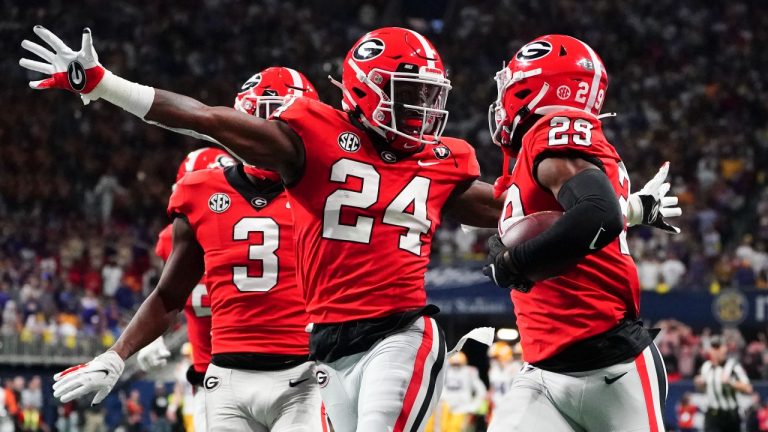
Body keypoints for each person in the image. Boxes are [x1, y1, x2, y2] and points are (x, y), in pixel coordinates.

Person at [21, 25, 676, 432]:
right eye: (407, 93)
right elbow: (208, 119)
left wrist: (629, 207)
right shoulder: (312, 136)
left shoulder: (442, 160)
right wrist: (105, 86)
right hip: (326, 346)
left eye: (429, 95)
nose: (423, 111)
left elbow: (514, 206)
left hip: (402, 332)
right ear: (363, 90)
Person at [51, 68, 328, 432]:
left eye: (283, 126)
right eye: (261, 123)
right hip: (227, 379)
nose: (271, 136)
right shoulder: (201, 191)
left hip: (304, 375)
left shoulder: (328, 187)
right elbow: (169, 296)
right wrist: (117, 355)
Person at [484, 35, 680, 431]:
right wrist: (634, 209)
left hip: (611, 366)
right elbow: (586, 214)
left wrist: (514, 265)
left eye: (512, 84)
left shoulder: (552, 133)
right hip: (543, 368)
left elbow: (596, 214)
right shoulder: (567, 144)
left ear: (536, 86)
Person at [140, 145, 235, 431]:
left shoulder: (171, 239)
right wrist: (152, 332)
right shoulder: (171, 241)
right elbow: (169, 293)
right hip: (209, 378)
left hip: (266, 366)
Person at [694, 335, 752, 432]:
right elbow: (702, 389)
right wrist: (699, 384)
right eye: (714, 348)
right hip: (712, 414)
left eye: (718, 347)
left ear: (724, 349)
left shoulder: (733, 366)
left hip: (731, 415)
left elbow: (748, 388)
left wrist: (731, 382)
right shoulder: (706, 367)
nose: (716, 351)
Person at [426, 351, 487, 432]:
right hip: (445, 405)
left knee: (455, 428)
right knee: (439, 427)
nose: (455, 367)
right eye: (453, 364)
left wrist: (474, 405)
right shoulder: (445, 371)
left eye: (458, 364)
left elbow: (481, 390)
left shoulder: (470, 372)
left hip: (462, 406)